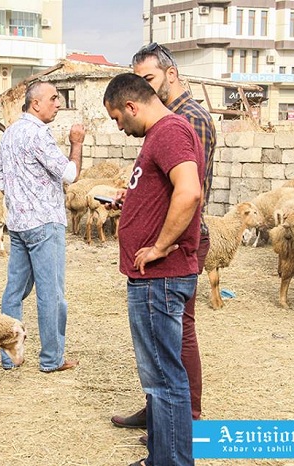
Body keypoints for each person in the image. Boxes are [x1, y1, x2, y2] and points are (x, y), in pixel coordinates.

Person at [111, 42, 216, 439]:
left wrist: (161, 242)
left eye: (148, 80)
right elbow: (164, 184)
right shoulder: (165, 123)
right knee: (162, 354)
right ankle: (165, 415)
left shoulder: (184, 122)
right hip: (162, 256)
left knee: (175, 340)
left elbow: (188, 189)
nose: (144, 89)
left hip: (172, 255)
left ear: (170, 75)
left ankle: (182, 420)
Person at [0, 81, 85, 372]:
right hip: (45, 223)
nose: (58, 103)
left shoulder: (9, 134)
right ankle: (52, 359)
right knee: (51, 294)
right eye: (54, 99)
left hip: (19, 224)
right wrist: (77, 143)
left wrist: (21, 196)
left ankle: (9, 356)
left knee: (14, 291)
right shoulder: (38, 135)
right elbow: (70, 174)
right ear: (36, 104)